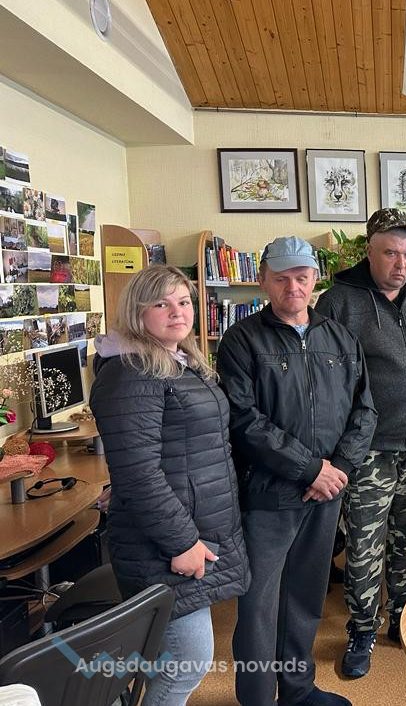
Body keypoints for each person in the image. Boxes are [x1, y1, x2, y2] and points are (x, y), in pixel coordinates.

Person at [219, 236, 376, 706]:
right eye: (282, 278)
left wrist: (338, 469)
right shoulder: (242, 340)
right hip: (269, 495)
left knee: (305, 598)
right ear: (263, 280)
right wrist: (310, 469)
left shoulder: (340, 338)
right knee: (259, 607)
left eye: (302, 277)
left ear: (315, 280)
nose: (293, 287)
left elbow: (365, 411)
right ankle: (257, 698)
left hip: (326, 494)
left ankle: (298, 690)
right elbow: (243, 420)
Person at [90, 264, 250, 706]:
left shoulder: (178, 361)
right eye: (161, 303)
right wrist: (181, 542)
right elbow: (139, 473)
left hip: (188, 530)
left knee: (173, 661)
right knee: (187, 661)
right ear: (137, 311)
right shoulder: (132, 372)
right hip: (164, 544)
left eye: (183, 301)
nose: (177, 312)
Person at [314, 208, 406, 678]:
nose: (400, 263)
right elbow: (324, 384)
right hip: (367, 450)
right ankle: (362, 629)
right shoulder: (338, 304)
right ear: (369, 251)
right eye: (390, 253)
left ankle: (402, 619)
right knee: (365, 544)